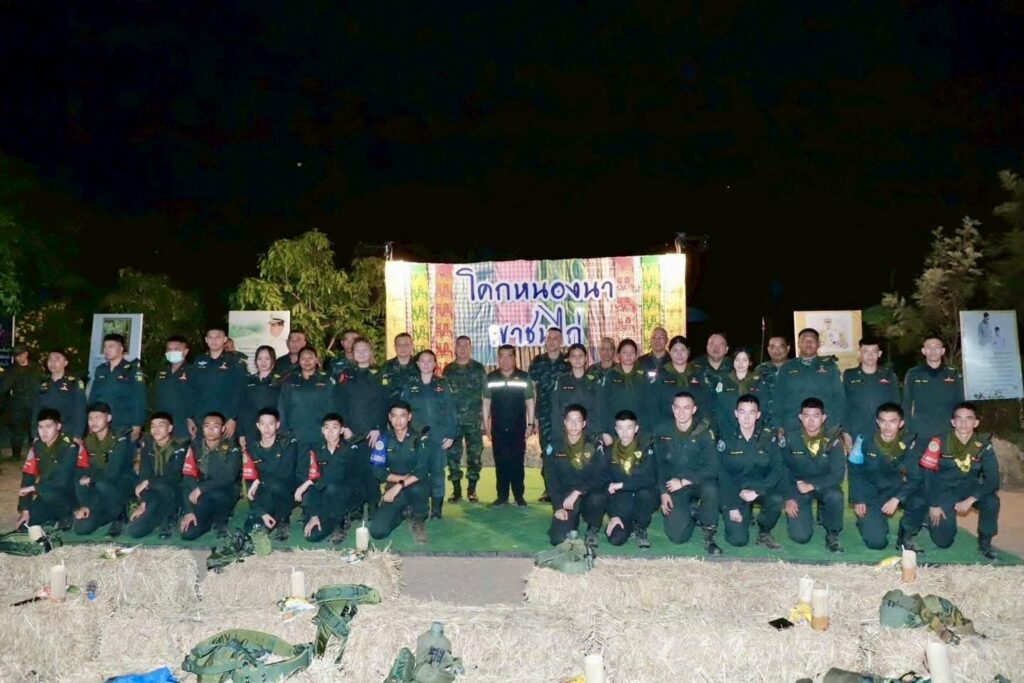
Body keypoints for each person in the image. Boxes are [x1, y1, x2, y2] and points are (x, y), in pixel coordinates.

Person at [919, 402, 1000, 560]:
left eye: (969, 419)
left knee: (991, 501)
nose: (963, 423)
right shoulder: (939, 441)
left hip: (970, 488)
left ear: (976, 423)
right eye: (959, 418)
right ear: (953, 422)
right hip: (944, 490)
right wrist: (933, 504)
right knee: (943, 542)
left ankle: (985, 542)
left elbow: (993, 480)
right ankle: (928, 518)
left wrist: (971, 499)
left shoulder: (983, 445)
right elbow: (927, 475)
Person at [848, 403, 926, 552]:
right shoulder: (863, 440)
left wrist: (897, 498)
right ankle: (867, 521)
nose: (887, 426)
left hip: (895, 489)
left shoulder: (908, 443)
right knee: (876, 543)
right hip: (870, 493)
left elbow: (915, 477)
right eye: (883, 421)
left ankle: (905, 537)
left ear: (901, 423)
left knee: (919, 499)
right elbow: (854, 471)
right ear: (877, 422)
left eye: (892, 421)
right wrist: (858, 499)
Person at [654, 392, 722, 554]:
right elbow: (658, 464)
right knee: (677, 537)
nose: (681, 412)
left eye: (686, 408)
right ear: (672, 409)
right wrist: (663, 492)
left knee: (711, 489)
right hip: (674, 485)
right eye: (677, 407)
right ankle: (693, 511)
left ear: (694, 409)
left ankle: (709, 532)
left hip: (699, 481)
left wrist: (684, 481)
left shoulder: (704, 432)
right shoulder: (662, 430)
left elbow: (713, 467)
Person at [717, 394, 784, 550]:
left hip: (759, 488)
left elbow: (778, 469)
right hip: (735, 490)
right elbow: (721, 473)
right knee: (738, 540)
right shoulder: (727, 438)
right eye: (742, 412)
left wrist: (758, 491)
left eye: (751, 413)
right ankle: (743, 514)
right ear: (736, 413)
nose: (746, 418)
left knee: (776, 499)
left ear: (758, 415)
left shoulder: (767, 438)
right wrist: (732, 506)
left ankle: (764, 532)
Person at [333, 337, 389, 516]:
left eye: (365, 349)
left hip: (373, 431)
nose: (362, 353)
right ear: (352, 353)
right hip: (351, 431)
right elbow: (339, 403)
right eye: (358, 350)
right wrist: (344, 426)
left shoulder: (380, 373)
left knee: (372, 469)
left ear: (371, 351)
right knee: (354, 469)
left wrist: (377, 427)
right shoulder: (346, 375)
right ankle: (356, 506)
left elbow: (384, 403)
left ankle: (373, 504)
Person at [781, 398, 846, 553]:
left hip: (824, 485)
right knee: (800, 537)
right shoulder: (790, 438)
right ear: (800, 417)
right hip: (797, 486)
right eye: (806, 416)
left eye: (816, 416)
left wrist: (812, 485)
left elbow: (838, 475)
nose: (811, 421)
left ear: (823, 418)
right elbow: (782, 469)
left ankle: (832, 532)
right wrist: (788, 497)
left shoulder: (833, 440)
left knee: (835, 496)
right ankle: (806, 516)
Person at [400, 350, 457, 518]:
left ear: (435, 364)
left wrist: (451, 434)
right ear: (417, 364)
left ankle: (437, 508)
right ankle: (415, 505)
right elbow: (403, 410)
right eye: (422, 361)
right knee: (415, 470)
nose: (426, 364)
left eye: (429, 361)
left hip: (438, 436)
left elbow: (450, 410)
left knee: (437, 472)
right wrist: (402, 433)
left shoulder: (442, 384)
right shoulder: (410, 385)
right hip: (415, 437)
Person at [369, 401, 432, 544]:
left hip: (415, 484)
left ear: (409, 417)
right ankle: (403, 513)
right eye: (394, 416)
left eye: (402, 416)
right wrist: (399, 481)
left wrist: (400, 485)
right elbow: (377, 469)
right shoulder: (383, 439)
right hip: (394, 485)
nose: (398, 420)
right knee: (377, 532)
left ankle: (418, 519)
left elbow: (422, 471)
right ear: (389, 417)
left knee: (418, 488)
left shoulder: (420, 439)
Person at [544, 404, 607, 548]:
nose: (573, 425)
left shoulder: (593, 446)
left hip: (588, 494)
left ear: (584, 423)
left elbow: (600, 478)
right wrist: (558, 507)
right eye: (570, 420)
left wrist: (579, 491)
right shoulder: (554, 447)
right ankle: (571, 522)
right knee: (558, 539)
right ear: (564, 422)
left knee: (598, 498)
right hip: (566, 498)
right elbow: (551, 480)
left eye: (578, 420)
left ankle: (593, 528)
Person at [295, 413, 361, 543]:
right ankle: (327, 517)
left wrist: (308, 483)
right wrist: (314, 515)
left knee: (332, 488)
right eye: (327, 428)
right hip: (324, 496)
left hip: (346, 494)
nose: (330, 432)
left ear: (341, 430)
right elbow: (312, 477)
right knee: (312, 536)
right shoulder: (316, 450)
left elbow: (337, 476)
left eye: (334, 427)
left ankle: (341, 521)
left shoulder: (350, 448)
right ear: (322, 430)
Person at [482, 345, 535, 507]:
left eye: (509, 356)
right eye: (502, 356)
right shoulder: (491, 378)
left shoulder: (524, 377)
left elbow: (530, 402)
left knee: (517, 462)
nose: (505, 360)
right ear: (498, 358)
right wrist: (486, 425)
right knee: (501, 462)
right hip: (498, 427)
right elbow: (486, 402)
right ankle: (502, 496)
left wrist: (530, 424)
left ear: (515, 358)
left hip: (518, 427)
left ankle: (519, 496)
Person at [73, 402, 136, 536]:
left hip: (120, 484)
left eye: (98, 417)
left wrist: (91, 479)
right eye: (90, 418)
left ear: (108, 418)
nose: (93, 422)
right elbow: (82, 469)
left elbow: (113, 472)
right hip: (99, 488)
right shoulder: (88, 441)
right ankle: (107, 514)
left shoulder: (120, 439)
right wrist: (85, 503)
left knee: (102, 484)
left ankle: (120, 514)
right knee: (81, 529)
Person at [16, 408, 86, 529]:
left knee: (52, 495)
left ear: (58, 426)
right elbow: (28, 476)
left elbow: (62, 481)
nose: (44, 431)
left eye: (48, 426)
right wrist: (25, 509)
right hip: (47, 493)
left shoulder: (70, 446)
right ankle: (52, 517)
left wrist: (34, 488)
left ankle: (66, 515)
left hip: (69, 495)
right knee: (24, 526)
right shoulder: (36, 447)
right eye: (40, 427)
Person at [179, 412, 242, 540]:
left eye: (215, 427)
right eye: (207, 426)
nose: (211, 430)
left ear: (223, 429)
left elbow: (229, 477)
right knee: (188, 534)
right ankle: (208, 522)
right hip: (203, 496)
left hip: (224, 493)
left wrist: (200, 489)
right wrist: (189, 511)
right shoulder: (195, 448)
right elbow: (188, 477)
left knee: (218, 495)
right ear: (202, 428)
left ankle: (221, 520)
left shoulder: (232, 448)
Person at [600, 410, 658, 548]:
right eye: (620, 428)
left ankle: (641, 527)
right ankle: (629, 526)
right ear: (616, 429)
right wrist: (613, 515)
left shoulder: (645, 449)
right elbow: (604, 483)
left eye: (629, 428)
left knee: (646, 494)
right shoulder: (608, 452)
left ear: (636, 429)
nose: (625, 433)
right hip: (622, 502)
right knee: (616, 539)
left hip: (642, 498)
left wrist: (622, 485)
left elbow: (650, 479)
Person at [772, 328, 845, 436]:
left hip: (825, 427)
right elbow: (778, 398)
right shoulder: (787, 367)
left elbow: (839, 398)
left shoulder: (830, 367)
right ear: (799, 344)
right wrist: (778, 425)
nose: (808, 343)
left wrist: (838, 425)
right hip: (793, 426)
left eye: (812, 340)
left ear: (818, 344)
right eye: (805, 340)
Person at [129, 412, 189, 539]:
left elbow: (175, 476)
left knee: (162, 486)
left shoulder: (180, 445)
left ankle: (169, 518)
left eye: (161, 425)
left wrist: (148, 482)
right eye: (153, 426)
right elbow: (144, 474)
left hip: (175, 493)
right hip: (154, 494)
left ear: (170, 428)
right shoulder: (148, 445)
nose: (156, 429)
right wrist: (143, 503)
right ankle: (158, 515)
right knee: (135, 531)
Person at [442, 335, 487, 503]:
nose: (462, 348)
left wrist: (486, 419)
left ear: (470, 348)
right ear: (455, 348)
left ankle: (472, 489)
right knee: (452, 455)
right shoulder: (448, 370)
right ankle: (456, 490)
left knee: (474, 455)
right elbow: (444, 397)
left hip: (473, 421)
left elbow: (486, 395)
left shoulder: (478, 369)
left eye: (466, 345)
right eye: (459, 345)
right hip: (453, 422)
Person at [243, 408, 298, 541]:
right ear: (258, 426)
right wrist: (261, 512)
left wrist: (259, 481)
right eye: (263, 424)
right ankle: (271, 516)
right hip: (264, 492)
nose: (267, 428)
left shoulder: (288, 443)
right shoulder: (252, 448)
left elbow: (285, 473)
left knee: (276, 486)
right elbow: (250, 482)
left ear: (277, 425)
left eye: (271, 424)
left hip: (285, 490)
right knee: (252, 528)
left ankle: (283, 519)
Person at [529, 328, 570, 502]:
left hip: (565, 416)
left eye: (556, 338)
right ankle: (549, 488)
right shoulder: (538, 362)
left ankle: (565, 487)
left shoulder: (568, 363)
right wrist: (533, 417)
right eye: (549, 338)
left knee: (565, 450)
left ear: (561, 341)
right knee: (547, 451)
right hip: (545, 414)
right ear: (545, 341)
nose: (552, 341)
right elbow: (532, 390)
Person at [842, 337, 900, 454]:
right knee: (857, 465)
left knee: (883, 464)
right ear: (859, 353)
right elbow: (844, 405)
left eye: (874, 351)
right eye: (865, 351)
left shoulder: (889, 375)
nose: (870, 355)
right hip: (856, 432)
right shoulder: (849, 375)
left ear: (879, 354)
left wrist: (896, 432)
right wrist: (846, 433)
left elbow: (896, 404)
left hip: (883, 432)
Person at [189, 326, 247, 440]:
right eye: (210, 337)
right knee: (201, 449)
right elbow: (191, 390)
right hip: (201, 418)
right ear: (206, 340)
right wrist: (190, 417)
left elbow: (240, 392)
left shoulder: (235, 362)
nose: (214, 341)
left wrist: (233, 418)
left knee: (224, 450)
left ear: (225, 339)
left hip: (225, 419)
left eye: (218, 337)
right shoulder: (199, 361)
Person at [278, 346, 335, 461]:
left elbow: (332, 406)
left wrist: (332, 431)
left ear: (316, 360)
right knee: (299, 467)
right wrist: (284, 431)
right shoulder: (290, 381)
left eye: (310, 358)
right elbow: (283, 407)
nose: (307, 361)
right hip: (296, 434)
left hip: (320, 433)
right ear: (298, 361)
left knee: (322, 466)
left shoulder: (327, 380)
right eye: (303, 358)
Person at [902, 336, 963, 441]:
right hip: (920, 431)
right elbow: (906, 402)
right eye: (929, 347)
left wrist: (960, 427)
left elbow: (960, 403)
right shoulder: (913, 374)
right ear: (923, 351)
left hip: (947, 430)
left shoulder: (953, 374)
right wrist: (908, 428)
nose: (933, 351)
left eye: (937, 347)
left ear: (943, 351)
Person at [87, 334, 146, 440]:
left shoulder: (132, 370)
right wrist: (90, 421)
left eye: (111, 346)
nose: (106, 350)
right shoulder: (101, 369)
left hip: (123, 423)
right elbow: (93, 396)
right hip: (101, 423)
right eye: (105, 346)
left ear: (121, 348)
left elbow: (139, 398)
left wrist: (138, 424)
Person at [647, 336, 709, 428]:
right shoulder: (662, 374)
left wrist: (704, 424)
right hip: (667, 426)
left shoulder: (698, 373)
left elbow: (706, 401)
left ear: (688, 352)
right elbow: (654, 405)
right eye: (675, 350)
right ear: (670, 352)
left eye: (683, 350)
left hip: (696, 426)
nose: (679, 354)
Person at [597, 339, 648, 443]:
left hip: (639, 431)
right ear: (618, 355)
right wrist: (605, 431)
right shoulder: (611, 375)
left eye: (632, 352)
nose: (628, 355)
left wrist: (646, 431)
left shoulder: (643, 375)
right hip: (615, 430)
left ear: (636, 355)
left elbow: (649, 405)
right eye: (625, 352)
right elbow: (603, 405)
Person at [550, 343, 602, 444]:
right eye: (573, 356)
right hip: (568, 432)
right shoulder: (562, 380)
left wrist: (599, 433)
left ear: (586, 358)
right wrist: (557, 434)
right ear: (569, 359)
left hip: (590, 432)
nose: (577, 359)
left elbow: (600, 408)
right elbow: (556, 410)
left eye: (580, 355)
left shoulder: (595, 380)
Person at [32, 348, 87, 441]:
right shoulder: (43, 383)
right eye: (50, 359)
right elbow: (36, 410)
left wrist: (78, 435)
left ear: (65, 363)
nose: (53, 363)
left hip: (67, 432)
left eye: (57, 359)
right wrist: (35, 434)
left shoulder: (74, 383)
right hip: (45, 432)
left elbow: (80, 410)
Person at [707, 346, 760, 437]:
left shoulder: (758, 381)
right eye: (737, 360)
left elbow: (763, 406)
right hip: (728, 428)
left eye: (744, 360)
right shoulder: (724, 381)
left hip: (753, 429)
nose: (740, 363)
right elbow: (717, 407)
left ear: (750, 362)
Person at [238, 345, 283, 448]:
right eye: (260, 358)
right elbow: (242, 408)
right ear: (255, 361)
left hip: (272, 429)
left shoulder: (281, 381)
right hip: (251, 429)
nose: (263, 362)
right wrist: (241, 433)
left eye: (267, 358)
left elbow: (284, 407)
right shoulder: (248, 380)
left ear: (273, 360)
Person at [2, 346, 43, 460]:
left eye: (20, 355)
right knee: (17, 431)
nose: (18, 358)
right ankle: (16, 456)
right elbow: (4, 387)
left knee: (34, 430)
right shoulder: (12, 370)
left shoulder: (36, 368)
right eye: (16, 356)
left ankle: (35, 455)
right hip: (18, 404)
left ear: (26, 354)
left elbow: (42, 381)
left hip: (34, 403)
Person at [150, 336, 194, 440]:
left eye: (176, 349)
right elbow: (154, 396)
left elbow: (198, 397)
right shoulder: (162, 372)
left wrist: (192, 418)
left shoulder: (193, 371)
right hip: (162, 424)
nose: (172, 352)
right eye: (169, 349)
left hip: (183, 423)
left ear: (185, 351)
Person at [753, 335, 790, 424]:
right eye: (772, 347)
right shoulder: (760, 370)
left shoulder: (796, 368)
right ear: (768, 350)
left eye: (780, 346)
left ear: (788, 348)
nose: (776, 350)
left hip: (790, 421)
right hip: (765, 422)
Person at [383, 332, 418, 403]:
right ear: (395, 347)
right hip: (392, 406)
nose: (403, 348)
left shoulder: (419, 365)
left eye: (406, 344)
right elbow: (381, 388)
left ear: (412, 346)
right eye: (399, 345)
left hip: (414, 406)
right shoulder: (386, 366)